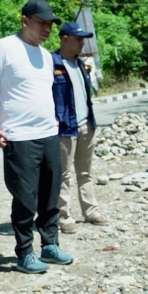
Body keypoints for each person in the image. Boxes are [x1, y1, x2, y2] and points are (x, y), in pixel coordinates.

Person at [0, 0, 74, 273]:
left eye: (50, 24)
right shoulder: (4, 48)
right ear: (24, 20)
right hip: (19, 137)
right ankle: (24, 253)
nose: (47, 28)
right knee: (25, 198)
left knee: (50, 194)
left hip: (48, 133)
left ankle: (50, 245)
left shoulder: (45, 55)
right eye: (41, 22)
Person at [52, 22, 107, 234]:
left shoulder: (81, 64)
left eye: (83, 39)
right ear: (65, 38)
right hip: (65, 128)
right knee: (63, 174)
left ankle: (90, 211)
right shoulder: (52, 63)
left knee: (85, 172)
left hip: (86, 125)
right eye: (78, 39)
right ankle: (63, 217)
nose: (82, 43)